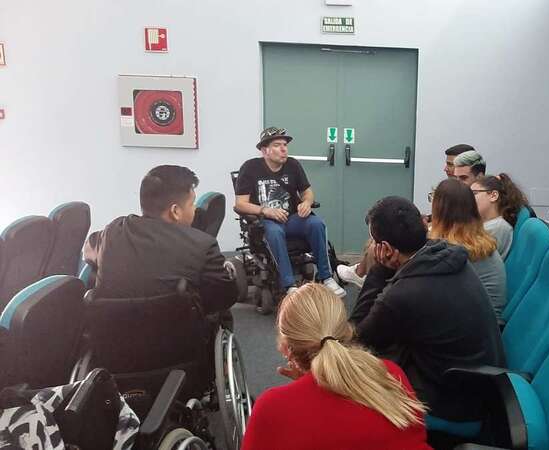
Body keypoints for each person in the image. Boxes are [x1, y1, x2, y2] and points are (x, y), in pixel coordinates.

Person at [351, 196, 505, 423]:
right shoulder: (446, 255)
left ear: (386, 249)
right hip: (480, 384)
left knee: (352, 371)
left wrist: (379, 269)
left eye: (375, 243)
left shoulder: (403, 295)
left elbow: (356, 337)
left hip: (454, 401)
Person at [242, 284, 431, 450]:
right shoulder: (390, 374)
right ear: (346, 331)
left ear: (287, 349)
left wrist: (303, 388)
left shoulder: (273, 408)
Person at [83, 165, 237, 314]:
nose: (195, 209)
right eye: (192, 204)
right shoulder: (203, 245)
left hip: (112, 329)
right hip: (179, 330)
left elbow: (87, 252)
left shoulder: (112, 231)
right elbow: (224, 297)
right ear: (175, 211)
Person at [338, 143, 477, 288]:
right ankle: (364, 275)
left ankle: (370, 280)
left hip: (442, 238)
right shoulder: (461, 191)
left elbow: (452, 224)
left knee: (378, 246)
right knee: (379, 239)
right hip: (440, 234)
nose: (446, 169)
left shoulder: (471, 195)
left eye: (450, 165)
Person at [234, 127, 344, 297]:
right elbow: (240, 204)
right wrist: (266, 211)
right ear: (264, 150)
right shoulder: (250, 168)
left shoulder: (292, 165)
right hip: (266, 221)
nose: (284, 149)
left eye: (285, 145)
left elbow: (307, 192)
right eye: (277, 145)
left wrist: (306, 203)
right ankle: (289, 285)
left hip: (292, 218)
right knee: (275, 232)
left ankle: (326, 277)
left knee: (316, 224)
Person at [429, 180, 507, 319]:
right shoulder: (473, 240)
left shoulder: (457, 250)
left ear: (440, 211)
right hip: (483, 321)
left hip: (477, 325)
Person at [471, 173, 529, 259]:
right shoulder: (488, 224)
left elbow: (471, 258)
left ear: (493, 196)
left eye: (474, 193)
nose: (469, 198)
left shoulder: (497, 227)